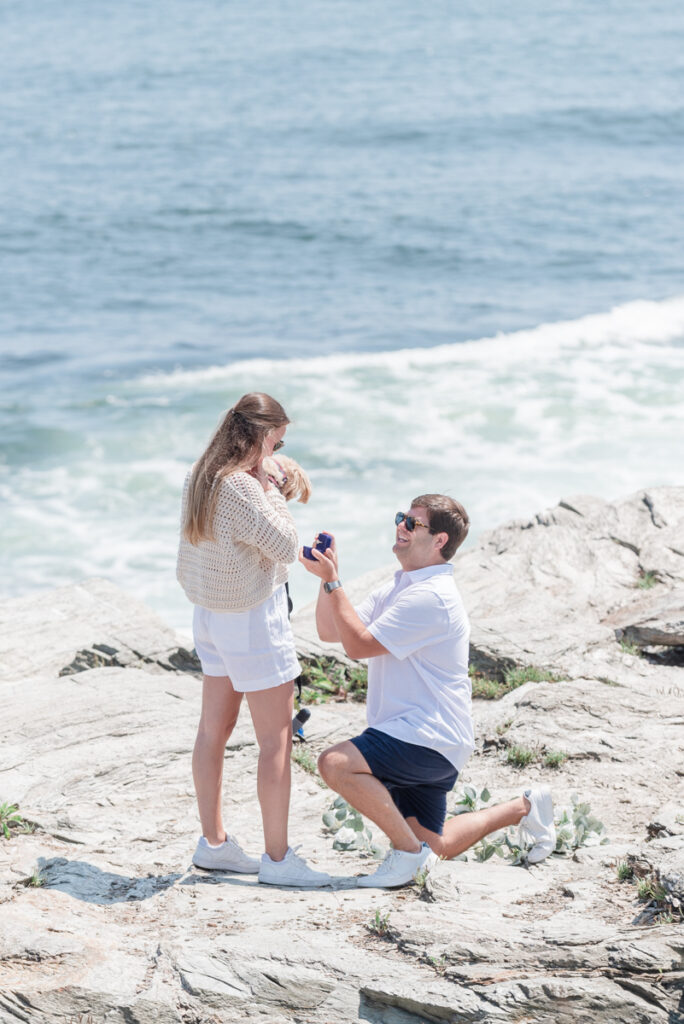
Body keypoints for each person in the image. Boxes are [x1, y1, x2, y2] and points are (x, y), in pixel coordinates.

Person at [299, 494, 556, 888]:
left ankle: (406, 856)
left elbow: (358, 646)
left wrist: (335, 581)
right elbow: (330, 632)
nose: (400, 526)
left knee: (335, 763)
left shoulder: (432, 597)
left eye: (412, 523)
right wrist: (325, 580)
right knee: (435, 844)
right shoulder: (400, 587)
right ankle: (525, 807)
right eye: (401, 517)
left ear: (439, 540)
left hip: (426, 735)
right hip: (426, 737)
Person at [177, 392, 331, 887]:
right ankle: (279, 860)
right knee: (276, 740)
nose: (279, 450)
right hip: (250, 619)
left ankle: (214, 844)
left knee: (212, 733)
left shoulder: (200, 474)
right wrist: (272, 488)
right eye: (278, 441)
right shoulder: (244, 487)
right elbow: (285, 545)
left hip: (209, 616)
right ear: (262, 437)